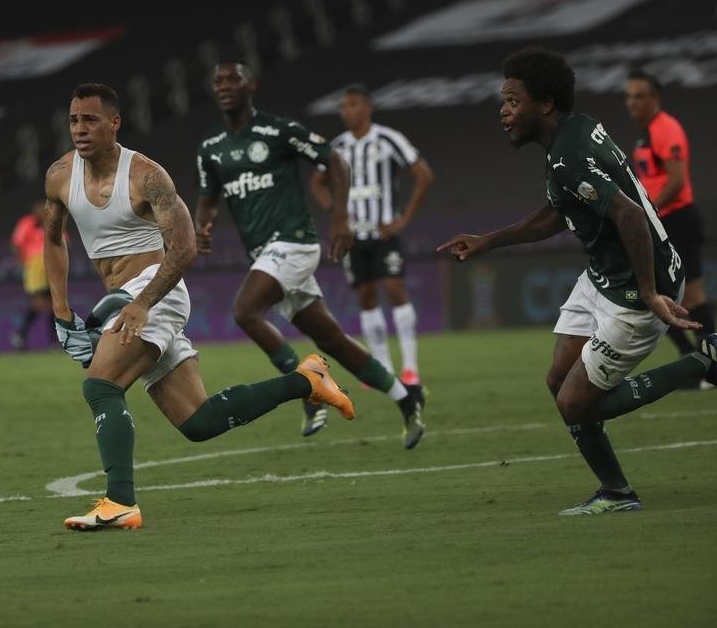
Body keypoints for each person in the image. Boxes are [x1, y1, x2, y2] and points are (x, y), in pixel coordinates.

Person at [45, 83, 355, 531]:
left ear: (114, 123)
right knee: (199, 421)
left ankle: (120, 503)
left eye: (90, 119)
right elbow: (52, 238)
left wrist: (143, 303)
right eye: (74, 120)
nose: (79, 129)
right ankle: (306, 380)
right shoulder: (59, 175)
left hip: (156, 290)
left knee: (100, 386)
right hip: (123, 299)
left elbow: (185, 249)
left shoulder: (147, 175)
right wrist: (60, 312)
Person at [438, 48, 717, 515]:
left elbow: (627, 214)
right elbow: (558, 213)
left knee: (576, 404)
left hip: (634, 287)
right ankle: (616, 492)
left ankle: (702, 362)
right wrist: (491, 240)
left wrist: (649, 294)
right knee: (558, 380)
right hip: (605, 275)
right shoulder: (576, 129)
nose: (502, 111)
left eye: (511, 100)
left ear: (544, 104)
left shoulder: (568, 154)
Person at [194, 63, 425, 446]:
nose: (224, 86)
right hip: (264, 254)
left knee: (245, 311)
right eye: (218, 80)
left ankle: (306, 386)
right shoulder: (211, 148)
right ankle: (406, 398)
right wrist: (203, 226)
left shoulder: (280, 131)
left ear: (253, 84)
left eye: (233, 78)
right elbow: (207, 199)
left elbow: (334, 161)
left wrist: (339, 218)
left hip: (294, 241)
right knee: (331, 338)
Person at [311, 84, 435, 386]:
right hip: (353, 237)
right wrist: (336, 215)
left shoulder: (388, 138)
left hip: (384, 232)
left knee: (394, 288)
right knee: (366, 296)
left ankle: (410, 367)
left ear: (367, 108)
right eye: (343, 106)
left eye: (353, 105)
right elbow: (317, 183)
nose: (347, 111)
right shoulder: (338, 146)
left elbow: (423, 175)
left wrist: (403, 218)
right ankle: (381, 367)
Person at [625, 69, 713, 366]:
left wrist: (648, 212)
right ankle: (695, 361)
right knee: (651, 297)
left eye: (639, 96)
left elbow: (676, 182)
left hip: (677, 220)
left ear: (655, 98)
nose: (632, 102)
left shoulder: (666, 129)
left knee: (692, 298)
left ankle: (710, 363)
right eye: (629, 96)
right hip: (662, 222)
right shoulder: (646, 135)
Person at [8, 200, 54, 350]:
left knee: (53, 306)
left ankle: (53, 341)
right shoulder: (27, 223)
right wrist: (24, 264)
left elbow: (63, 242)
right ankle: (20, 335)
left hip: (51, 267)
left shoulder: (52, 222)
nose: (41, 211)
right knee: (39, 304)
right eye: (39, 208)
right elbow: (16, 244)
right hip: (34, 267)